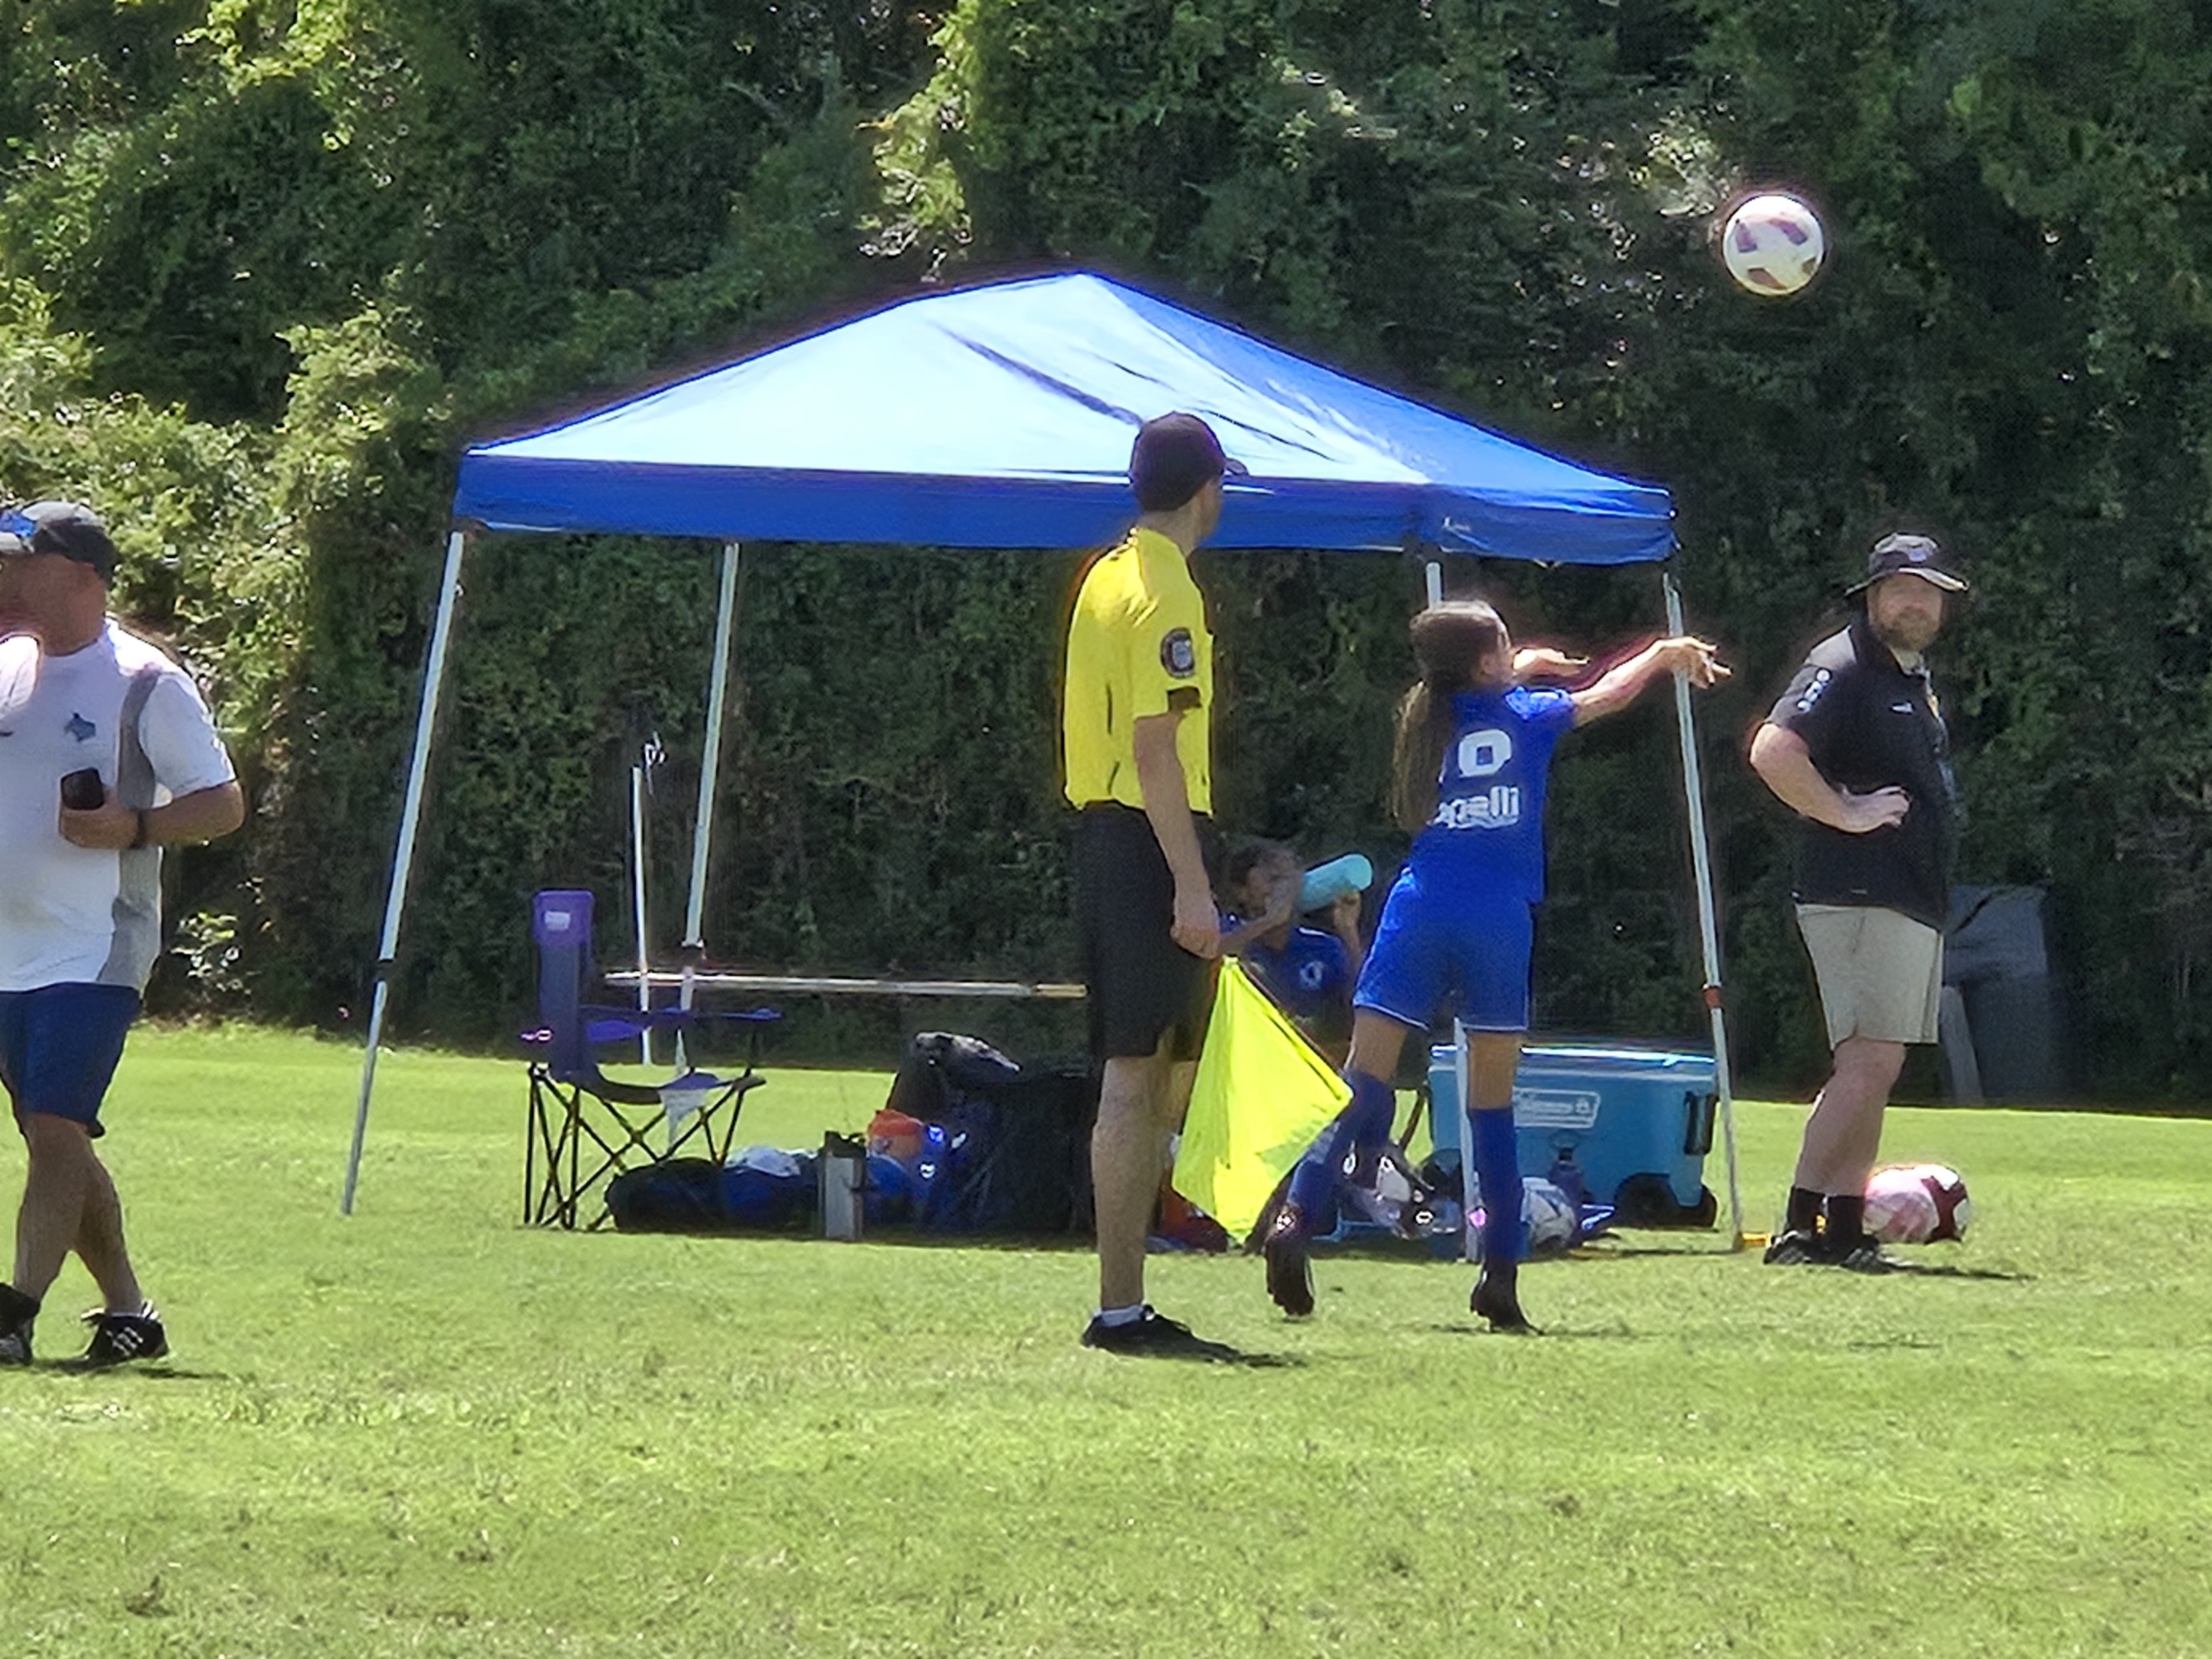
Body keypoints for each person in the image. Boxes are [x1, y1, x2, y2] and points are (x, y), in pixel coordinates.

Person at [1261, 599, 1727, 1327]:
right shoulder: (1529, 716)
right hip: (1495, 917)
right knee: (1490, 1105)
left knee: (1360, 1082)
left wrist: (1525, 664)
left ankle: (1295, 1218)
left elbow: (1494, 685)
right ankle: (1500, 1273)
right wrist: (1661, 655)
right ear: (1485, 663)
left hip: (1420, 904)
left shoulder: (1427, 716)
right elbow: (1604, 695)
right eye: (1504, 646)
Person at [0, 501, 244, 1367]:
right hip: (9, 949)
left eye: (18, 562)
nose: (3, 577)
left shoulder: (145, 682)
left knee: (56, 1123)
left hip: (95, 945)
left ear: (78, 575)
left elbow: (222, 805)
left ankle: (13, 1314)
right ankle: (131, 1313)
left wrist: (133, 827)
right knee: (50, 1133)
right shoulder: (8, 665)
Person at [1064, 413, 1246, 1358]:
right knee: (1137, 1077)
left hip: (1111, 838)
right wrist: (1191, 887)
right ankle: (1119, 1308)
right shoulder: (1168, 591)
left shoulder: (1106, 573)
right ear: (1208, 491)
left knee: (1151, 1069)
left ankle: (1126, 1297)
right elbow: (1156, 749)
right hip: (1148, 840)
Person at [1748, 532, 1966, 1272]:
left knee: (1877, 1065)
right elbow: (1773, 750)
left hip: (1905, 895)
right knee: (1867, 1062)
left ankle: (1844, 1230)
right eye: (1902, 589)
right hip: (1858, 893)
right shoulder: (1841, 665)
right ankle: (1799, 1228)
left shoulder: (1904, 674)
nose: (1917, 604)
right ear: (1872, 596)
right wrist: (1843, 812)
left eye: (1929, 593)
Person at [1217, 839, 1365, 1059]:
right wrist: (1270, 920)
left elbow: (1365, 1002)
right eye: (1274, 880)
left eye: (1292, 880)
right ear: (1242, 892)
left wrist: (1348, 930)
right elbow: (1212, 956)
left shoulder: (1323, 947)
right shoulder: (1224, 932)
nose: (1286, 891)